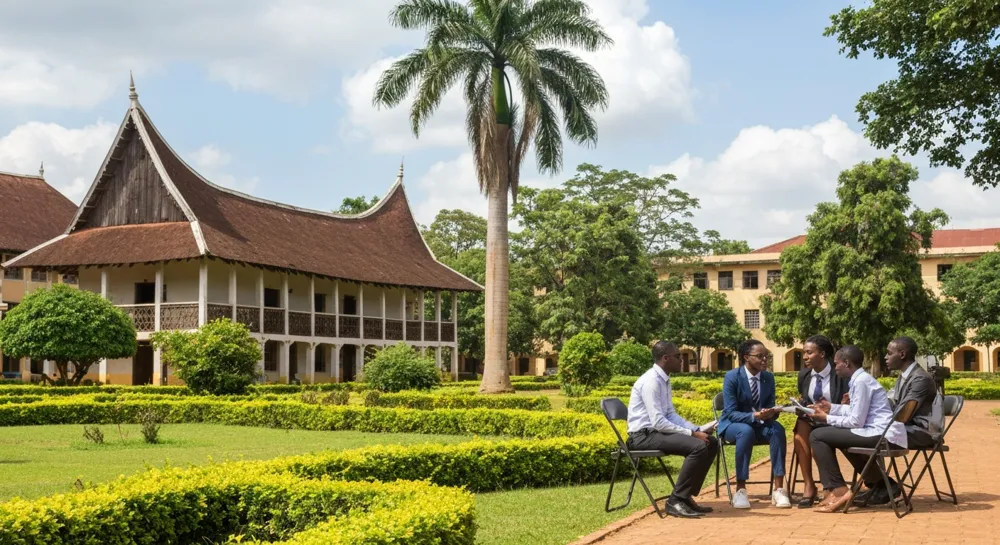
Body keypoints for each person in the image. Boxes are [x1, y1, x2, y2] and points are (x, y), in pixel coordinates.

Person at [808, 345, 907, 513]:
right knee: (833, 437)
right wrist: (831, 408)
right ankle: (884, 485)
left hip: (882, 435)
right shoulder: (860, 379)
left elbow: (856, 421)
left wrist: (826, 418)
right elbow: (857, 411)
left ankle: (838, 490)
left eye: (836, 363)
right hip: (876, 431)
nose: (834, 367)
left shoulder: (861, 382)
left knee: (817, 435)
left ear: (847, 363)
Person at [627, 341, 720, 518]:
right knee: (698, 446)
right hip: (642, 436)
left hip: (656, 433)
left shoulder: (664, 379)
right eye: (678, 356)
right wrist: (692, 434)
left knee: (711, 442)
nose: (681, 360)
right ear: (665, 358)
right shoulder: (651, 381)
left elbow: (670, 414)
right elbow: (658, 422)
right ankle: (675, 500)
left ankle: (685, 497)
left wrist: (698, 429)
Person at [854, 336, 944, 505]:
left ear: (902, 354)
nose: (885, 357)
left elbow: (903, 416)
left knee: (864, 437)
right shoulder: (905, 376)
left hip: (922, 432)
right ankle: (881, 485)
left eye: (889, 353)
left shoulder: (920, 379)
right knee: (857, 435)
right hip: (905, 429)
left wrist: (875, 417)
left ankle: (882, 487)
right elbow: (892, 406)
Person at [718, 339, 791, 509]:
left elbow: (770, 406)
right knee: (745, 431)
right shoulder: (732, 377)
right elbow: (730, 413)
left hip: (760, 424)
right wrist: (755, 415)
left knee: (777, 430)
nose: (765, 360)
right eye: (760, 356)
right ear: (746, 357)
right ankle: (740, 490)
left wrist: (772, 412)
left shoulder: (768, 378)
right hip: (733, 425)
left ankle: (779, 489)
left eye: (767, 356)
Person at [791, 335, 850, 508]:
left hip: (834, 419)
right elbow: (804, 399)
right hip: (812, 419)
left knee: (817, 435)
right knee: (800, 430)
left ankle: (829, 487)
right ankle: (809, 485)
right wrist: (800, 406)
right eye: (804, 353)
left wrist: (828, 410)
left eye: (809, 353)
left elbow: (847, 403)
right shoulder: (804, 374)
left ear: (822, 354)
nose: (805, 357)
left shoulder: (839, 373)